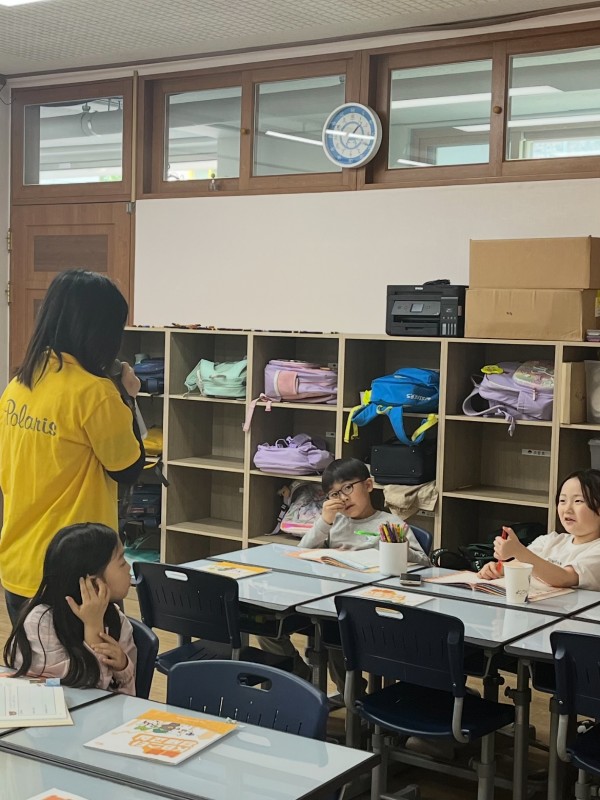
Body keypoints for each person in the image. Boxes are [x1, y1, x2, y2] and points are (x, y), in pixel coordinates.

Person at [0, 270, 144, 624]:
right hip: (75, 577)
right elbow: (129, 468)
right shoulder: (95, 393)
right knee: (96, 660)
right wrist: (127, 394)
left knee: (32, 660)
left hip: (18, 564)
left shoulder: (19, 384)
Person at [259, 458, 429, 690]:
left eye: (348, 488)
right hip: (324, 601)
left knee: (339, 637)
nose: (343, 498)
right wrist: (324, 522)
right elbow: (300, 553)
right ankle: (299, 677)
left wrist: (397, 549)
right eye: (334, 494)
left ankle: (352, 694)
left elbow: (424, 563)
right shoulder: (334, 522)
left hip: (364, 606)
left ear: (368, 485)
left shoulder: (391, 523)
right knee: (266, 624)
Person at [4, 523, 137, 694]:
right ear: (93, 583)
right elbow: (73, 693)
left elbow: (129, 699)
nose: (129, 568)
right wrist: (93, 627)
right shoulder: (40, 623)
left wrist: (123, 668)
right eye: (122, 562)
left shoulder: (117, 620)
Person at [478, 469, 600, 590]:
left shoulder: (596, 549)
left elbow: (564, 578)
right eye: (562, 500)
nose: (567, 509)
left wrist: (518, 551)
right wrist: (496, 569)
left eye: (578, 501)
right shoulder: (550, 540)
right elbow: (519, 564)